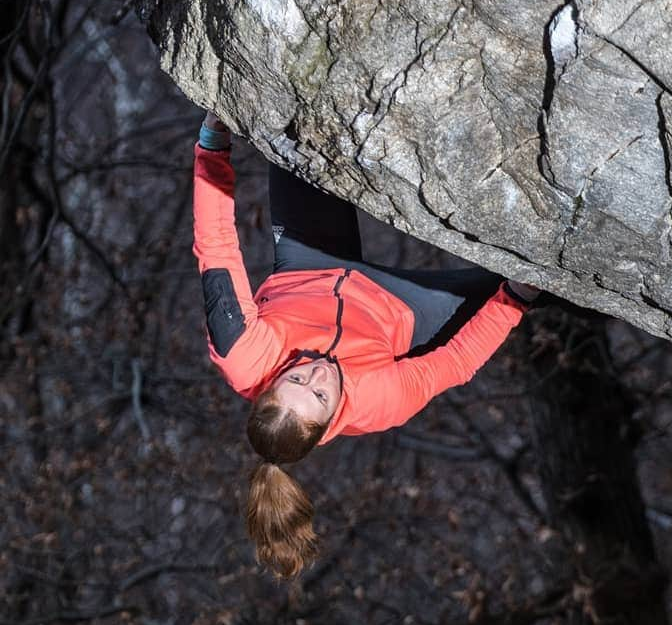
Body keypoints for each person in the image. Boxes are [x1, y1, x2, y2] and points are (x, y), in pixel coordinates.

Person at [193, 111, 540, 579]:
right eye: (319, 396)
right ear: (332, 419)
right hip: (402, 311)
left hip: (308, 263)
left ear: (269, 381)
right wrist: (515, 298)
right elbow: (456, 361)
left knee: (288, 128)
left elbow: (215, 243)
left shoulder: (242, 352)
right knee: (536, 281)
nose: (318, 374)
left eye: (295, 377)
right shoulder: (379, 402)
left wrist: (212, 143)